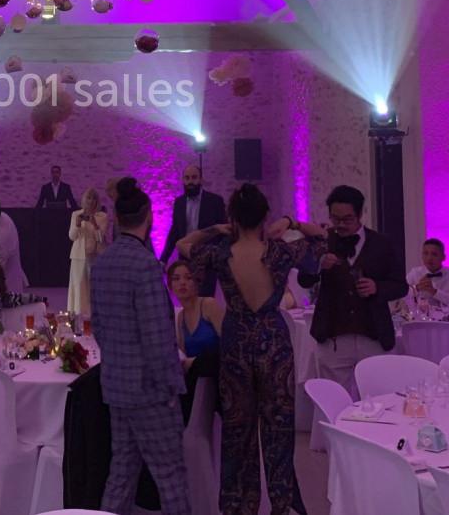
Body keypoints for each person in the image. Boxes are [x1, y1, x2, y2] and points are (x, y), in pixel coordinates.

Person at [179, 185, 327, 515]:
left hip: (236, 342)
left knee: (237, 432)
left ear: (233, 217)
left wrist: (217, 228)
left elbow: (183, 245)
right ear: (264, 215)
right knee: (278, 429)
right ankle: (281, 504)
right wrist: (289, 221)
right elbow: (321, 239)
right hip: (273, 341)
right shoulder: (280, 251)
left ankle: (238, 507)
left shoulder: (219, 250)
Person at [91, 177, 191, 515]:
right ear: (149, 216)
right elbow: (157, 338)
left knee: (122, 470)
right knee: (170, 475)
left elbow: (100, 327)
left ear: (116, 219)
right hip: (149, 389)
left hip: (116, 383)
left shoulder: (102, 263)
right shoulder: (146, 266)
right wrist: (171, 385)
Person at [297, 185, 406, 401]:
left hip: (373, 334)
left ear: (360, 215)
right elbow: (303, 279)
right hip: (333, 336)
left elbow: (400, 285)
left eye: (347, 219)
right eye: (335, 219)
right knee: (335, 401)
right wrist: (318, 265)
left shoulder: (381, 243)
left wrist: (377, 287)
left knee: (380, 400)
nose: (340, 225)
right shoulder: (322, 240)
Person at [166, 260, 222, 425]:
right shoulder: (180, 318)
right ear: (170, 286)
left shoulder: (208, 305)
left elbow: (228, 344)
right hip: (199, 382)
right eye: (176, 279)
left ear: (196, 282)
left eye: (188, 278)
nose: (182, 283)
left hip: (217, 374)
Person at [159, 165, 227, 296]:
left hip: (207, 259)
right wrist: (163, 259)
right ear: (183, 180)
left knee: (205, 298)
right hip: (185, 258)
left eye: (194, 178)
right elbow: (175, 232)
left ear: (201, 179)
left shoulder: (215, 201)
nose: (190, 181)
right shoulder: (179, 203)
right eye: (187, 178)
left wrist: (222, 258)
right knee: (186, 296)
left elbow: (222, 231)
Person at [67, 188, 109, 315]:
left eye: (94, 198)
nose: (91, 201)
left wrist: (95, 225)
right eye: (88, 198)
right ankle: (78, 316)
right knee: (79, 286)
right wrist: (78, 225)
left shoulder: (102, 216)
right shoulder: (76, 214)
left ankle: (95, 316)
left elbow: (101, 239)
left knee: (93, 288)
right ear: (84, 199)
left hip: (95, 256)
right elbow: (72, 236)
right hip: (78, 256)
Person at [406, 238, 449, 309]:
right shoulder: (415, 273)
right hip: (420, 319)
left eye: (434, 254)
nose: (429, 258)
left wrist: (435, 292)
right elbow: (400, 296)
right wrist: (417, 288)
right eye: (425, 253)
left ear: (443, 257)